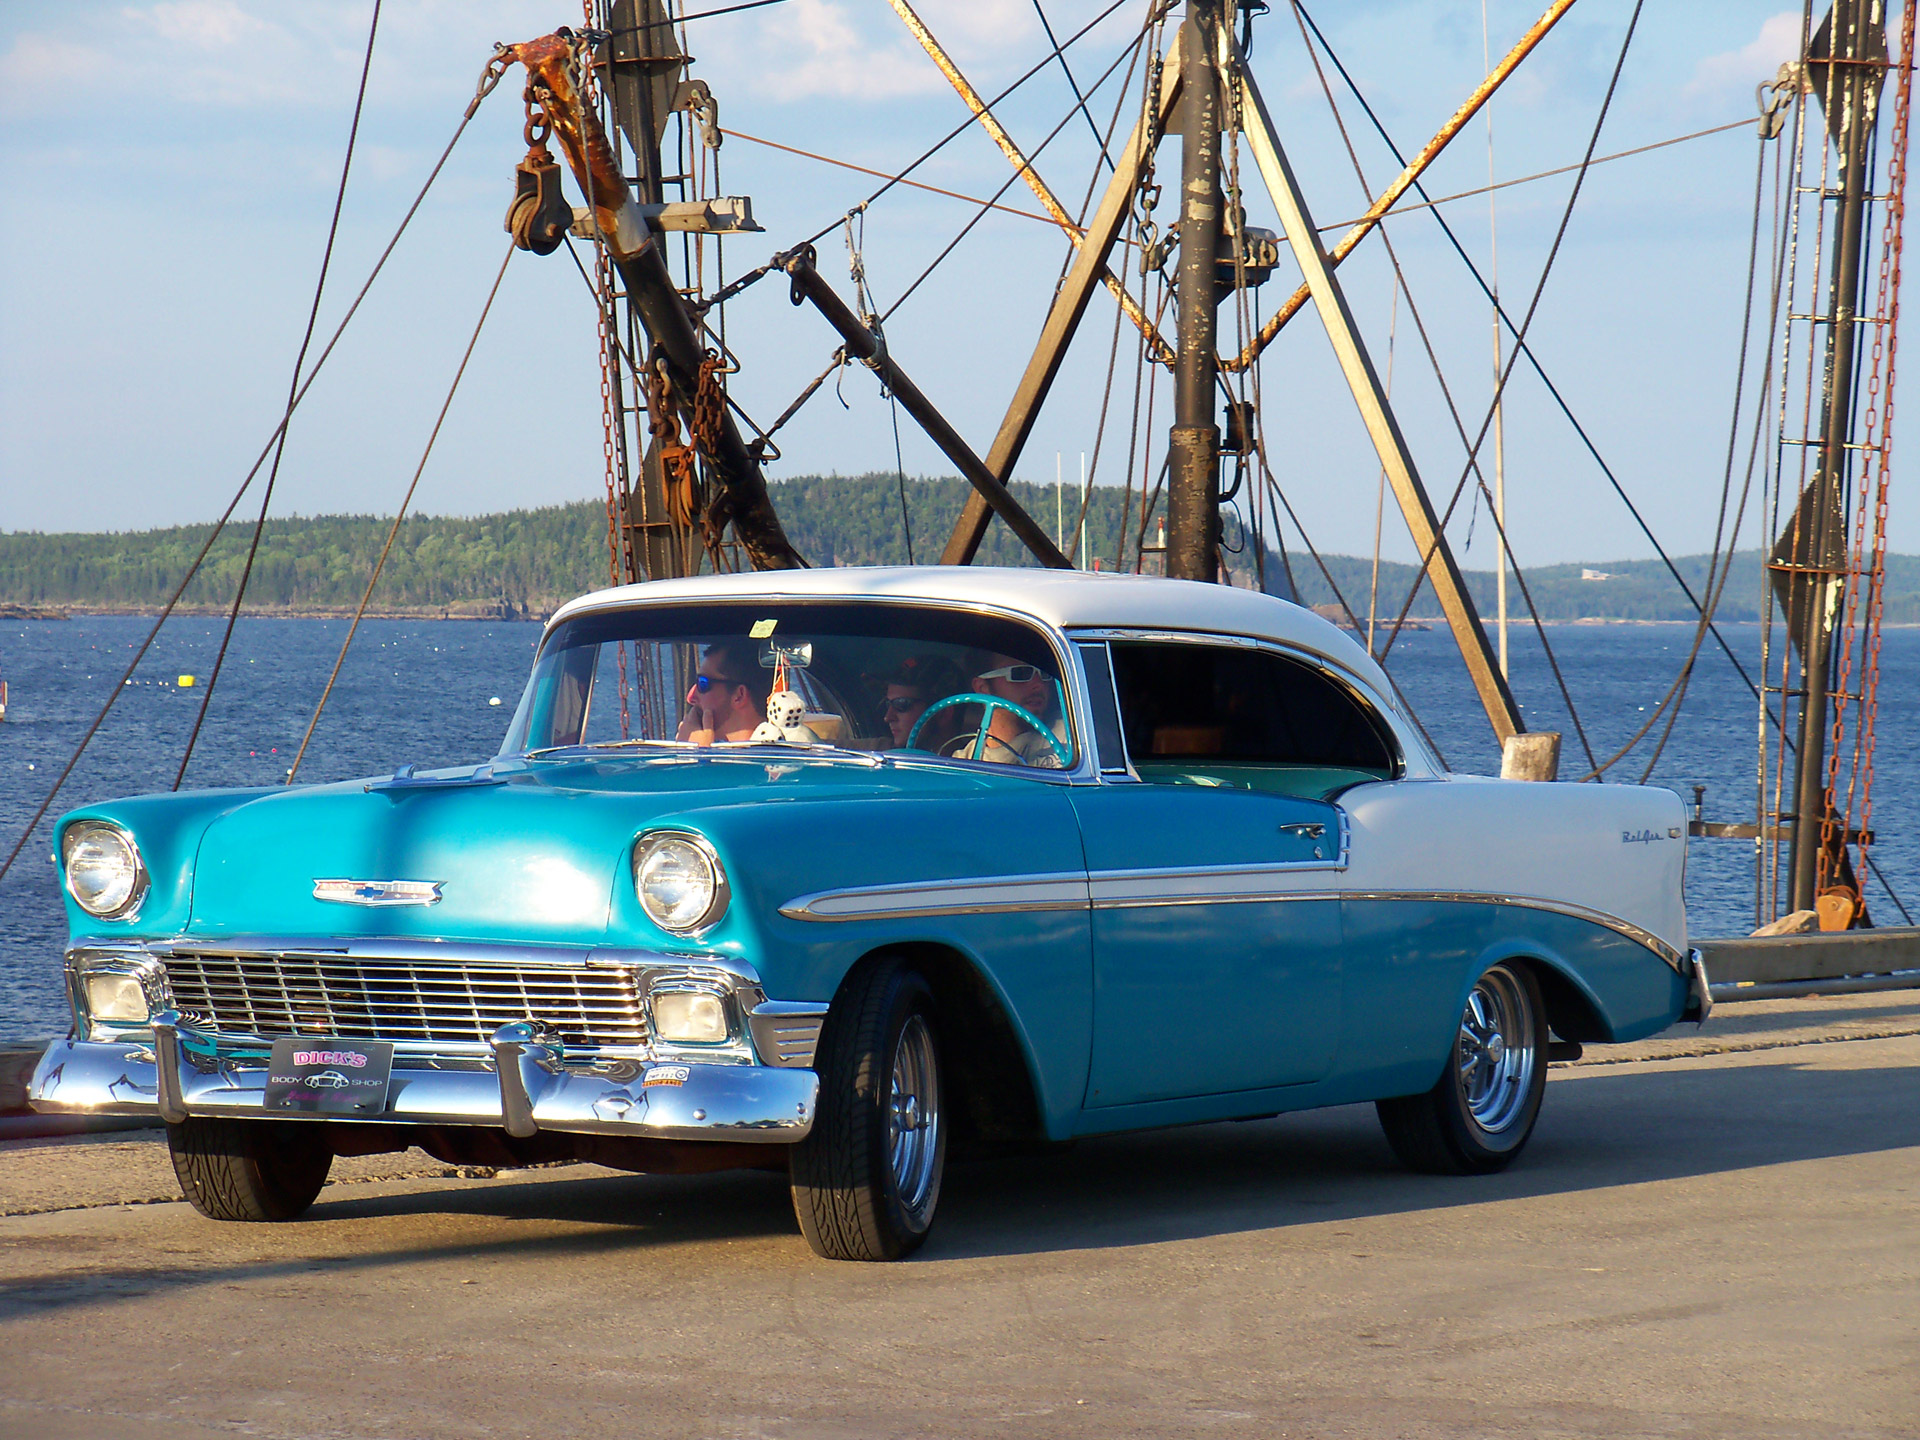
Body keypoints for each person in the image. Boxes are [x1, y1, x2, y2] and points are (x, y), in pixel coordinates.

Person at [950, 651, 1070, 768]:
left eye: (1044, 674)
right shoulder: (963, 763)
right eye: (1020, 673)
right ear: (982, 688)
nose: (1039, 684)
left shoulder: (1073, 738)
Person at [676, 641, 771, 744]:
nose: (690, 697)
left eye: (703, 683)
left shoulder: (775, 757)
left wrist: (695, 753)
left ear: (739, 695)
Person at [877, 654, 966, 751]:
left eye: (901, 704)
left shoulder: (975, 761)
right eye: (887, 704)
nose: (888, 717)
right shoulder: (876, 753)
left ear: (943, 713)